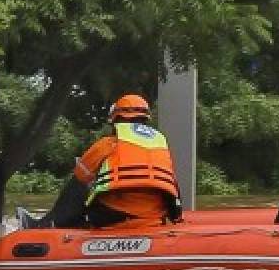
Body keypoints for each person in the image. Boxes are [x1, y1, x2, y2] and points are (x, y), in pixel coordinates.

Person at [17, 94, 183, 229]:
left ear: (116, 119)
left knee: (77, 185)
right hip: (154, 218)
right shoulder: (160, 143)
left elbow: (78, 182)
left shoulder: (108, 143)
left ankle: (46, 225)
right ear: (145, 119)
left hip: (113, 216)